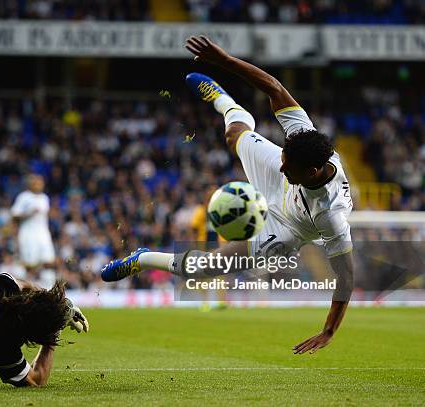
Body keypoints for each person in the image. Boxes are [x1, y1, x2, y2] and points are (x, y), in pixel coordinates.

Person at [101, 36, 354, 355]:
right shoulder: (300, 148)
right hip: (286, 189)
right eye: (283, 157)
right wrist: (224, 61)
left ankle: (141, 259)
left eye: (288, 163)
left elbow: (345, 276)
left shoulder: (329, 216)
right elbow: (275, 88)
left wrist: (329, 330)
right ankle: (227, 103)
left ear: (314, 172)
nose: (281, 163)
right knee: (235, 135)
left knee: (205, 269)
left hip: (287, 230)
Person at [11, 174, 56, 284]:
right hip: (28, 234)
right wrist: (29, 213)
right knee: (29, 265)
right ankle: (25, 290)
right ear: (30, 184)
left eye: (40, 183)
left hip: (43, 233)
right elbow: (14, 215)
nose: (38, 185)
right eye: (36, 183)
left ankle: (50, 289)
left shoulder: (44, 198)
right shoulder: (24, 197)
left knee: (49, 261)